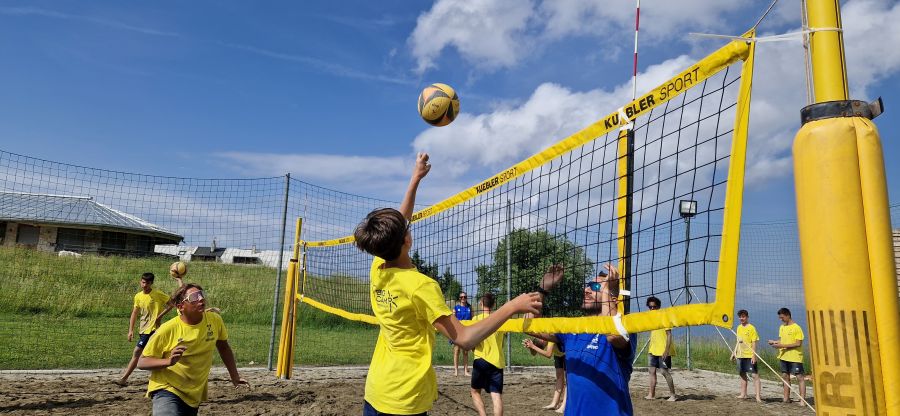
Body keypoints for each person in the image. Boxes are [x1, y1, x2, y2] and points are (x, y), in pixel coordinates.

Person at [353, 152, 543, 416]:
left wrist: (415, 178)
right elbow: (464, 339)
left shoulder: (379, 268)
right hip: (404, 398)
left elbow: (400, 219)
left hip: (376, 390)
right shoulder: (420, 286)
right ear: (406, 241)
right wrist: (512, 306)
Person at [527, 264, 635, 416]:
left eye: (595, 286)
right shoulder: (574, 328)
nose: (586, 290)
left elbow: (612, 335)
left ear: (612, 298)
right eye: (587, 286)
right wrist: (542, 289)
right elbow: (530, 327)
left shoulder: (624, 326)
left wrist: (605, 291)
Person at [137, 283, 248, 415]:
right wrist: (168, 362)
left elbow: (224, 348)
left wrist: (234, 376)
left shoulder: (214, 320)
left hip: (193, 393)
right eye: (194, 297)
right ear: (180, 307)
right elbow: (142, 362)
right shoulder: (167, 329)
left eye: (201, 294)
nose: (201, 298)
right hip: (166, 389)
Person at [117, 272, 171, 386]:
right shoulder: (138, 296)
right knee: (152, 355)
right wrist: (130, 330)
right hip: (142, 329)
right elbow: (134, 314)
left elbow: (171, 304)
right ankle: (163, 376)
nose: (144, 284)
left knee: (137, 352)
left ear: (151, 283)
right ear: (140, 281)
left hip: (153, 329)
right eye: (143, 282)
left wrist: (159, 316)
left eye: (147, 282)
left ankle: (123, 379)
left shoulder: (157, 294)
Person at [469, 293, 507, 416]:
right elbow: (501, 344)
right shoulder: (500, 320)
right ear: (494, 304)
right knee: (496, 396)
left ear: (481, 303)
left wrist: (473, 349)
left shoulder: (476, 319)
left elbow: (471, 341)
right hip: (497, 362)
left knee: (475, 392)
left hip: (481, 360)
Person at [767, 307, 806, 405]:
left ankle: (802, 400)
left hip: (795, 357)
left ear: (788, 315)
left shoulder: (797, 327)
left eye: (782, 317)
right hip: (783, 356)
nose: (781, 319)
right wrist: (775, 342)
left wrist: (781, 346)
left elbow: (798, 343)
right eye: (780, 318)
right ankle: (786, 398)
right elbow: (782, 340)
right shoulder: (782, 327)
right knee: (785, 376)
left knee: (799, 377)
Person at [645, 296, 676, 402]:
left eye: (654, 307)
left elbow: (669, 335)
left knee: (664, 372)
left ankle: (673, 395)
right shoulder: (650, 319)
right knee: (651, 371)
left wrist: (666, 350)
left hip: (663, 350)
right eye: (650, 307)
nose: (652, 309)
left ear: (658, 306)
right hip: (652, 349)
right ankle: (651, 394)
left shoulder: (664, 317)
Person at [523, 337, 566, 413]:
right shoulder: (543, 339)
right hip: (558, 355)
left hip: (567, 354)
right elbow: (534, 353)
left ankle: (564, 406)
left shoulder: (550, 336)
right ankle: (554, 404)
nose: (542, 340)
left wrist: (533, 346)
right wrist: (531, 347)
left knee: (568, 380)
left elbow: (548, 354)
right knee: (559, 377)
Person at [730, 309, 761, 402]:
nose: (741, 318)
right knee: (742, 374)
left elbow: (754, 342)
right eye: (740, 317)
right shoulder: (739, 327)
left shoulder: (752, 328)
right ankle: (743, 394)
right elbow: (738, 341)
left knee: (755, 375)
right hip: (740, 355)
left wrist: (753, 355)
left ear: (747, 317)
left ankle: (758, 396)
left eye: (743, 316)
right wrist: (734, 352)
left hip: (749, 355)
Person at [453, 291, 473, 377]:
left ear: (466, 298)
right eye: (461, 297)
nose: (463, 298)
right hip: (458, 332)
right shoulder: (456, 308)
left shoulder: (470, 308)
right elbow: (453, 320)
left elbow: (473, 320)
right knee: (457, 351)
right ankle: (456, 370)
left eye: (464, 297)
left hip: (466, 331)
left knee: (465, 352)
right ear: (459, 299)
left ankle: (465, 371)